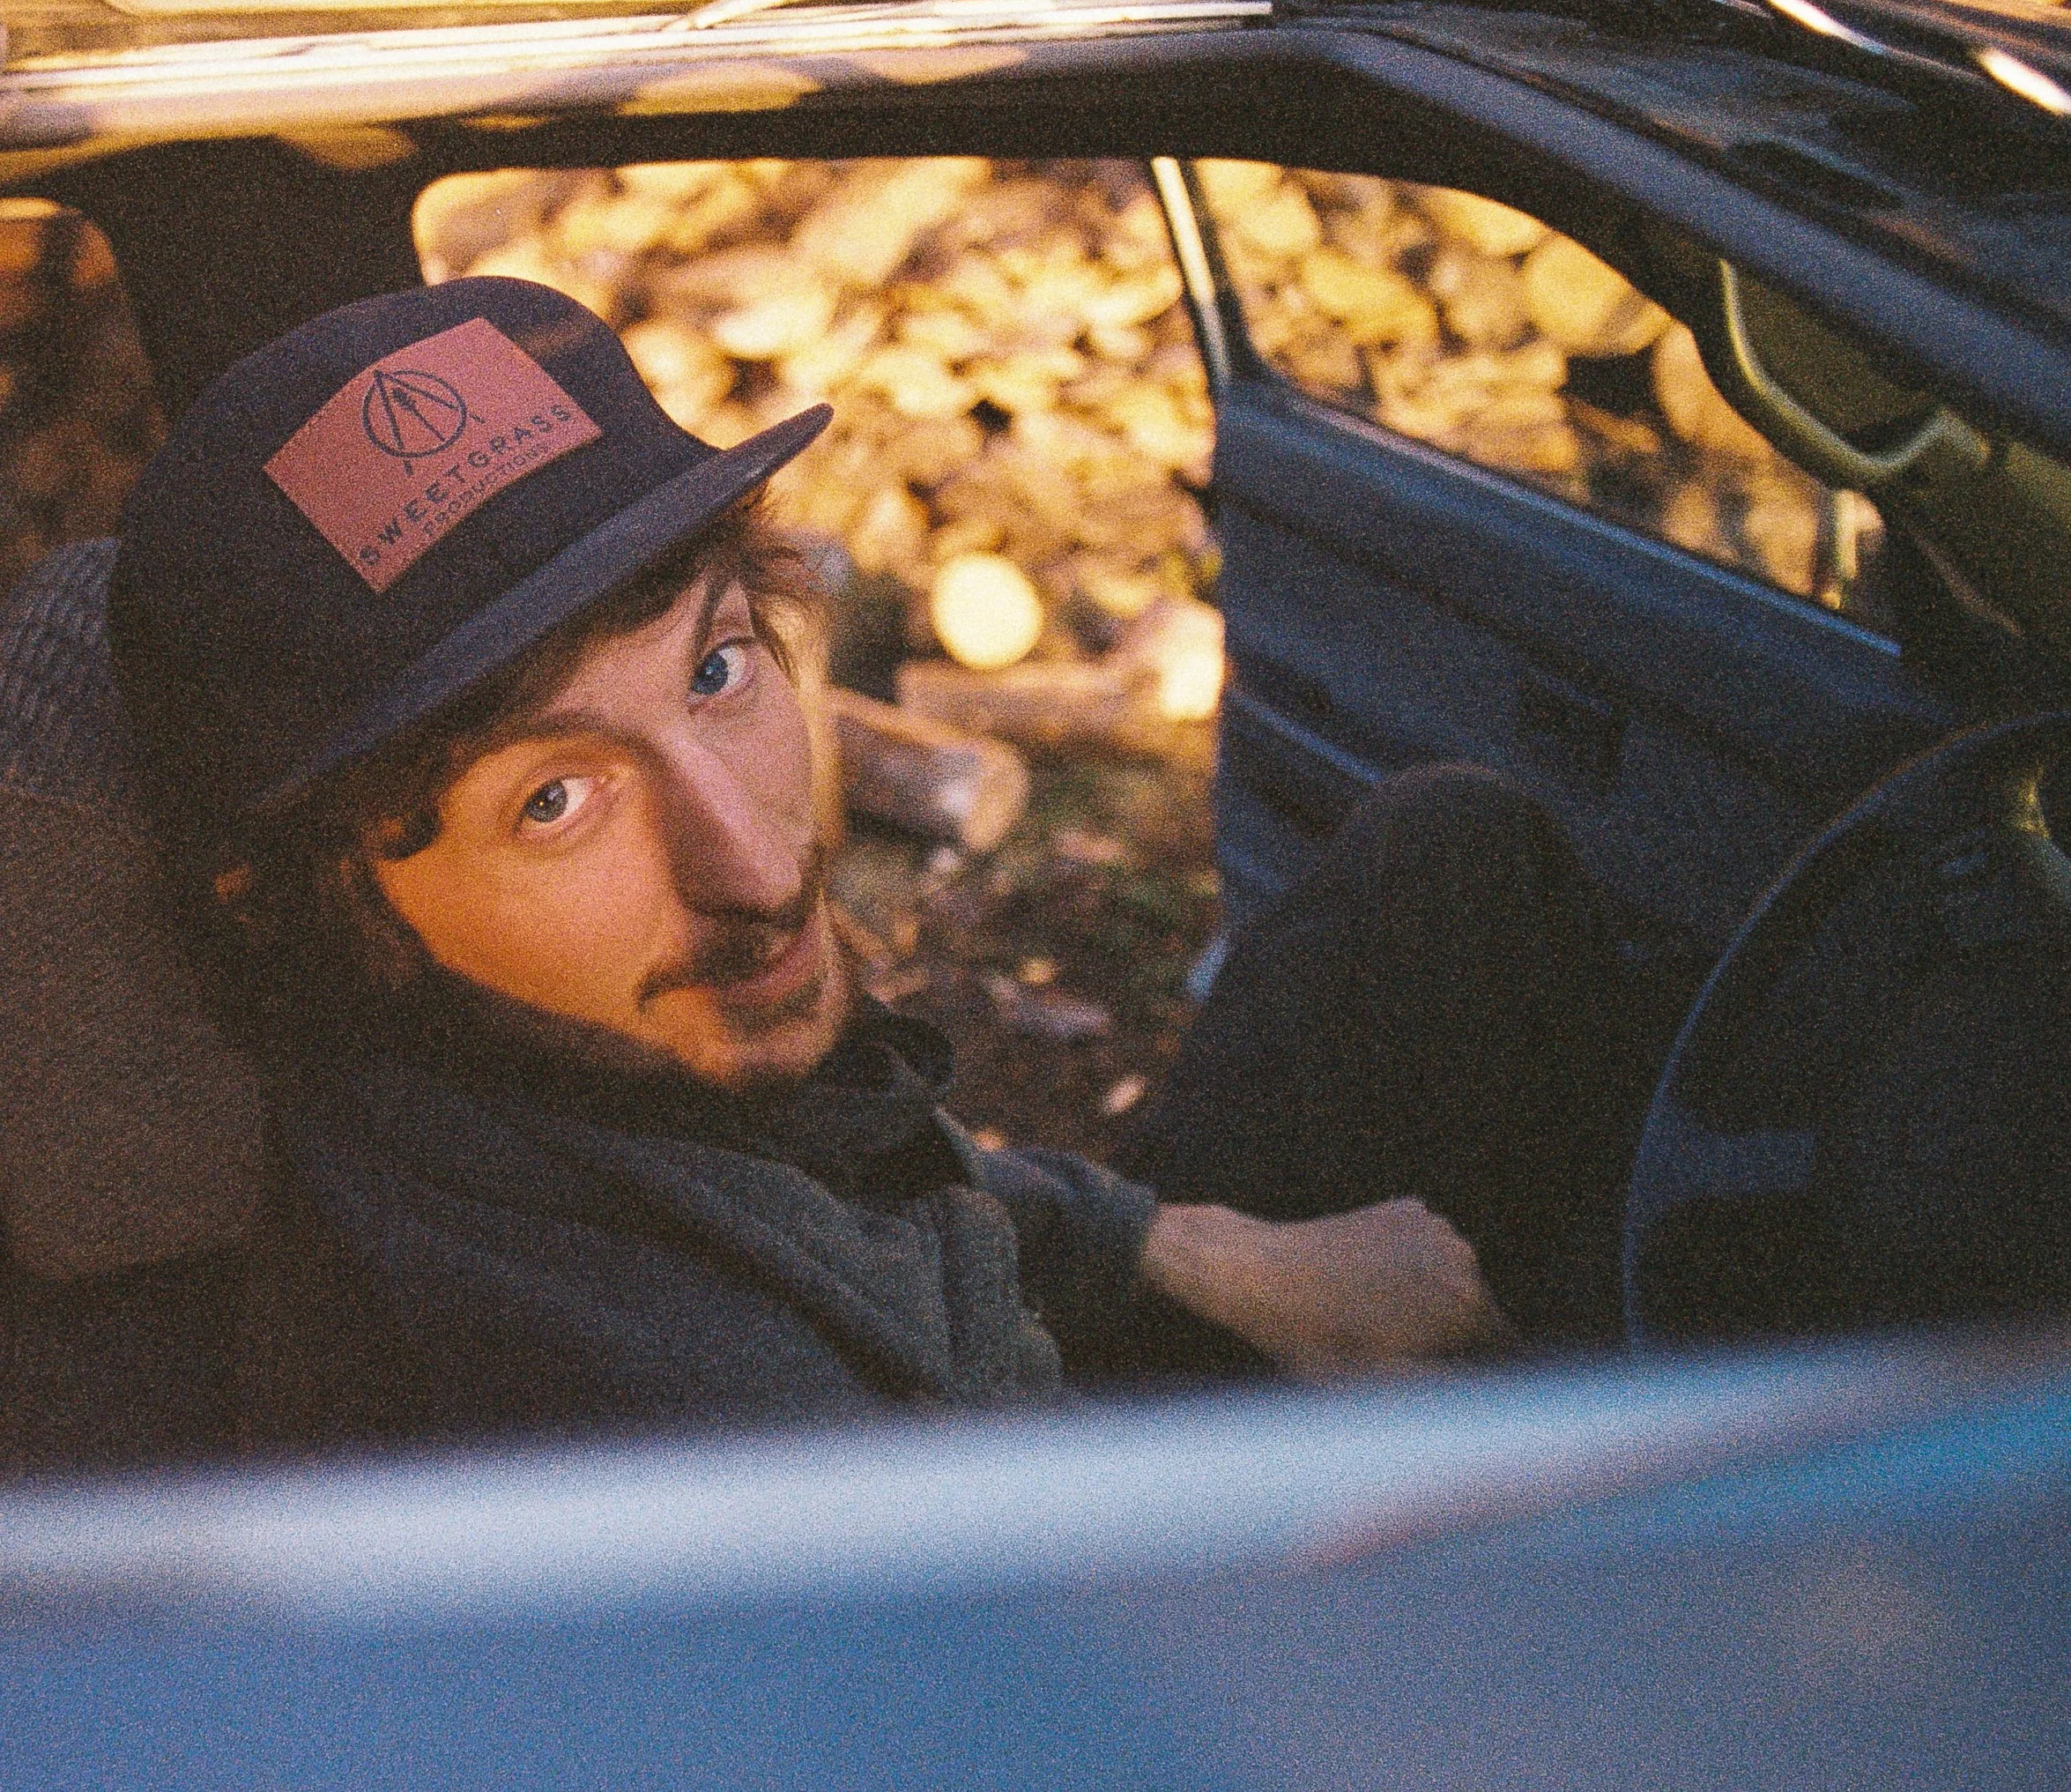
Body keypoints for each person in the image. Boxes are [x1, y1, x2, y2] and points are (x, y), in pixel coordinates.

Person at [108, 277, 1645, 1446]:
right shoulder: (670, 1422)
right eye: (554, 800)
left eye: (715, 670)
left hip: (1000, 1341)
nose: (754, 866)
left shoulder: (551, 1077)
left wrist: (1189, 1247)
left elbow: (864, 1208)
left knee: (1445, 866)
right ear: (323, 908)